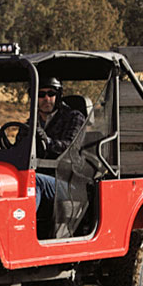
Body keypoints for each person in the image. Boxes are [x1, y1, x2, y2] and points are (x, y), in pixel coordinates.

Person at [32, 77, 85, 213]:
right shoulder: (31, 122)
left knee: (34, 181)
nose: (46, 98)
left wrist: (46, 140)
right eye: (41, 94)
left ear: (58, 96)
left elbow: (69, 147)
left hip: (68, 181)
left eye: (51, 94)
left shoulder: (74, 118)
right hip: (37, 172)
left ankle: (24, 230)